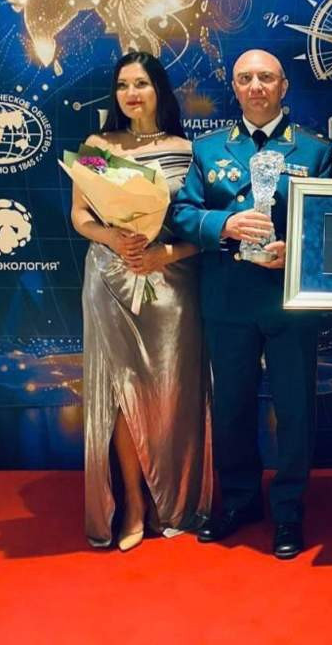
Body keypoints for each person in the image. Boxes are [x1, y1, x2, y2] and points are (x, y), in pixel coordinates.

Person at [170, 49, 331, 560]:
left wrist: (295, 250)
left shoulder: (316, 150)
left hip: (289, 299)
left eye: (266, 77)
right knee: (232, 407)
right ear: (235, 88)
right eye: (245, 78)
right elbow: (181, 213)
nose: (256, 86)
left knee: (295, 411)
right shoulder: (207, 148)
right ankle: (239, 501)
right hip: (229, 298)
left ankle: (289, 510)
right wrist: (225, 225)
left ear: (284, 86)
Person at [73, 51, 212, 551]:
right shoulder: (97, 146)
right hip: (112, 278)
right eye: (123, 85)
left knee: (171, 393)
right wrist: (112, 237)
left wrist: (162, 253)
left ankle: (168, 496)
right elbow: (80, 216)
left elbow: (201, 226)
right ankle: (132, 500)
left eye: (142, 84)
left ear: (159, 90)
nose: (131, 94)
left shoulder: (189, 150)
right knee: (121, 395)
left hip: (172, 284)